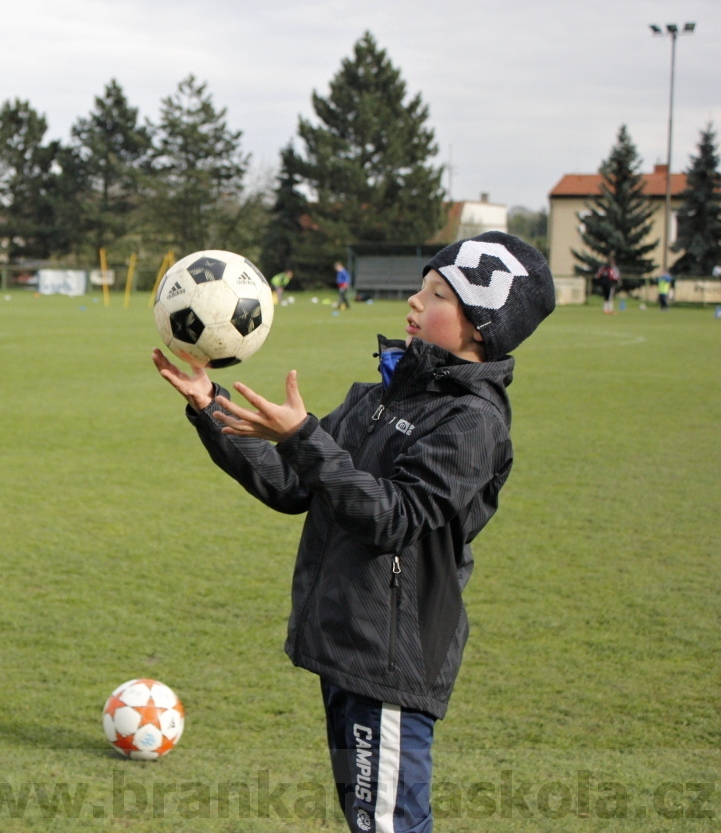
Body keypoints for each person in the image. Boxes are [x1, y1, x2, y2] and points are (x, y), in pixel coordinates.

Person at [153, 231, 555, 833]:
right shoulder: (376, 397)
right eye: (421, 287)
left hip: (390, 660)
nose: (415, 302)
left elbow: (395, 517)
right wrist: (210, 406)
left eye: (438, 294)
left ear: (480, 327)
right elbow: (294, 486)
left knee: (387, 824)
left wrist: (303, 438)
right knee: (370, 819)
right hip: (348, 645)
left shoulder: (473, 421)